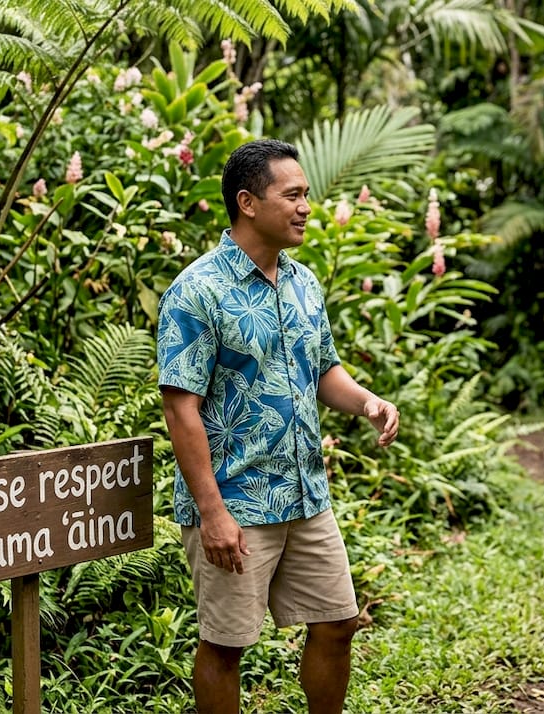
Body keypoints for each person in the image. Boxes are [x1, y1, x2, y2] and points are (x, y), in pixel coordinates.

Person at [157, 138, 400, 714]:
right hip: (236, 500)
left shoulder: (302, 282)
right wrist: (213, 513)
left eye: (306, 195)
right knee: (225, 645)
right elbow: (179, 407)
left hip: (305, 494)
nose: (305, 207)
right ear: (247, 202)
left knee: (338, 622)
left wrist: (367, 402)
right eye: (291, 195)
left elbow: (324, 372)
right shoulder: (197, 291)